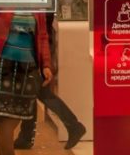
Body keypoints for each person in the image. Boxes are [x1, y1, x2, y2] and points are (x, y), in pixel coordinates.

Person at [0, 11, 54, 155]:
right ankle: (5, 146)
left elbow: (42, 36)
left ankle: (0, 141)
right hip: (3, 67)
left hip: (28, 68)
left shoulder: (37, 5)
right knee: (5, 118)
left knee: (21, 114)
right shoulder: (1, 2)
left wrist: (46, 64)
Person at [14, 13, 87, 150]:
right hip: (36, 49)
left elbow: (42, 30)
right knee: (33, 93)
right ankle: (26, 136)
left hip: (36, 51)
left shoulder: (38, 7)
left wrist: (45, 62)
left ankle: (73, 126)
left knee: (40, 93)